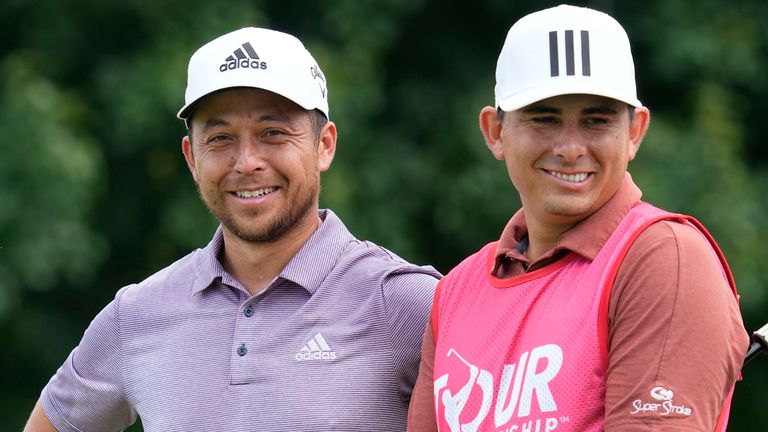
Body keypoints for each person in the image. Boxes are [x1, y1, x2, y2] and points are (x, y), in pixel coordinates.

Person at [24, 27, 440, 432]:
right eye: (221, 138)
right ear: (191, 157)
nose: (246, 162)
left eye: (273, 133)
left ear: (324, 145)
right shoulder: (136, 316)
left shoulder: (408, 304)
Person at [407, 5, 748, 432]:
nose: (570, 148)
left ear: (635, 133)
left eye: (596, 121)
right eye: (544, 119)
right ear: (495, 132)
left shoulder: (666, 259)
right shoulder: (456, 291)